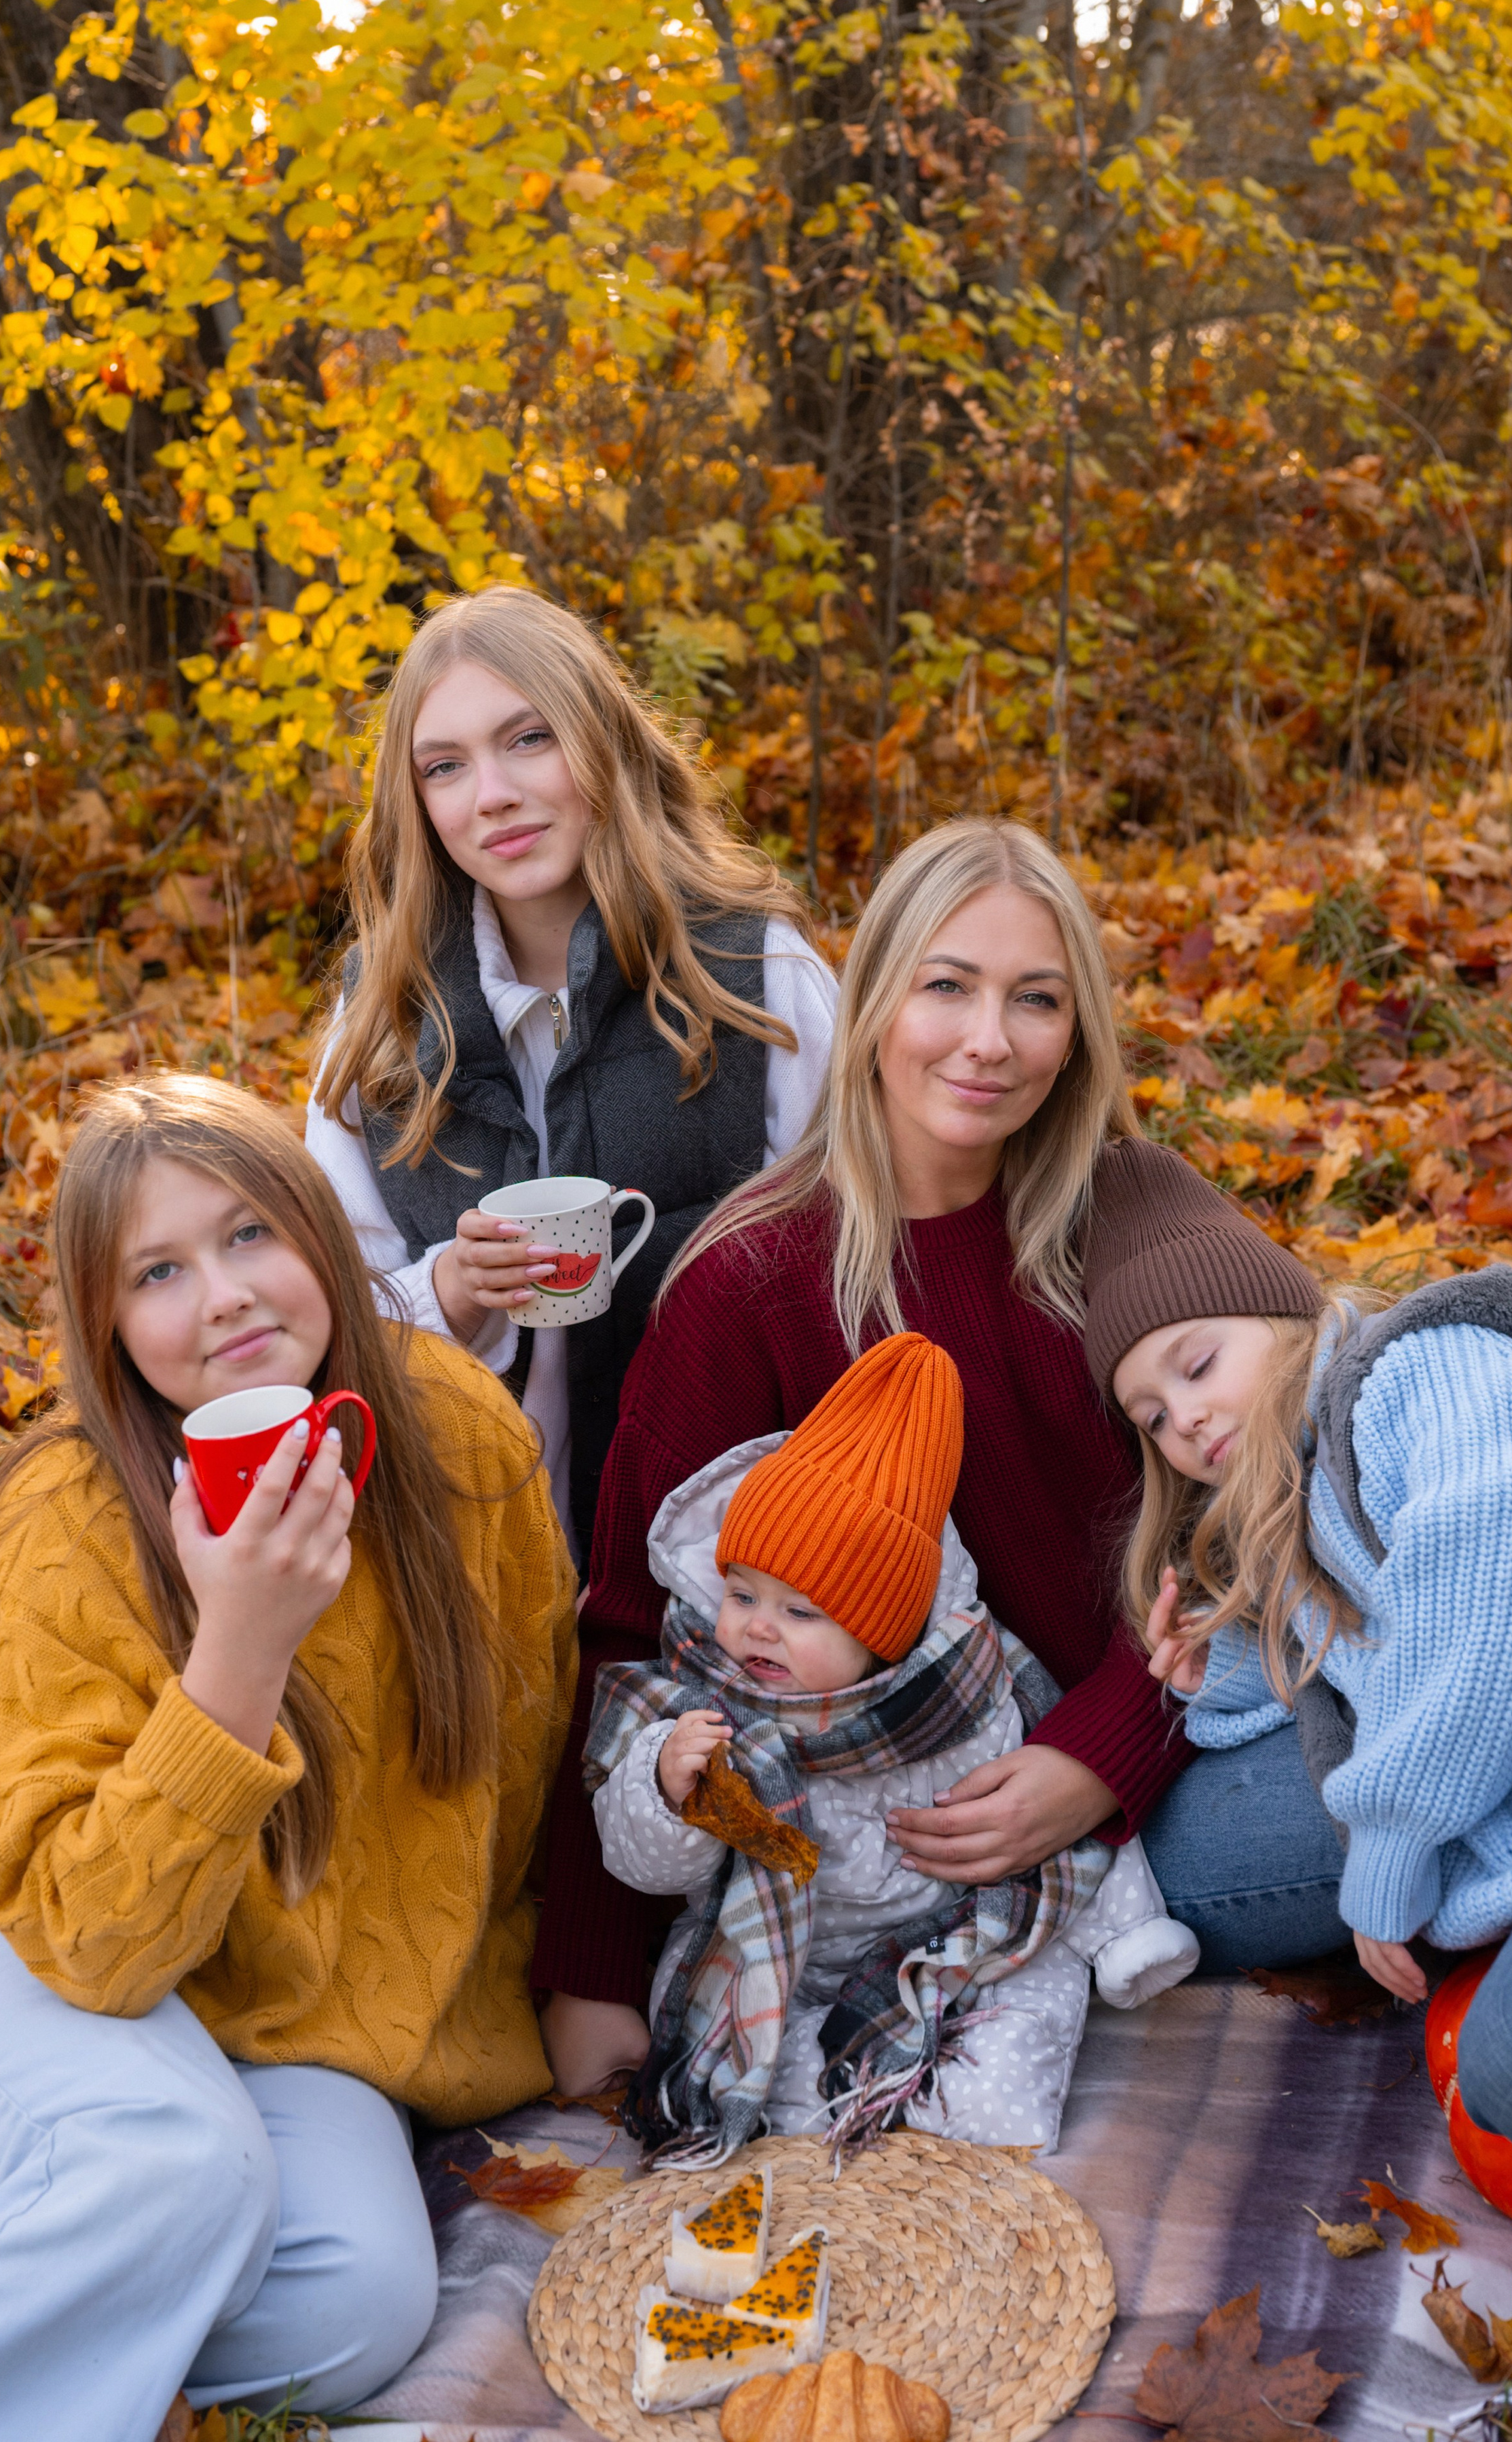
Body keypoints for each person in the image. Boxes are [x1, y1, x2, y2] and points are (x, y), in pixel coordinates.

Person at [0, 1076, 576, 2441]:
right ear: (108, 1323)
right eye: (159, 1269)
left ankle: (26, 2304)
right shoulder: (65, 1522)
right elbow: (91, 1948)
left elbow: (520, 1764)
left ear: (324, 1238)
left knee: (360, 2295)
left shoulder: (457, 1436)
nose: (223, 1294)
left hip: (259, 1991)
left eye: (252, 1232)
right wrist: (239, 1651)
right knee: (173, 2158)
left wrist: (567, 1982)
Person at [536, 813, 1228, 2099]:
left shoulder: (1127, 1213)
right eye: (948, 986)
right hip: (872, 1833)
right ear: (870, 1006)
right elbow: (639, 1629)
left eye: (1037, 1000)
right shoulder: (754, 1280)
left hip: (1162, 1754)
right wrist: (592, 1968)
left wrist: (1101, 1757)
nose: (989, 1039)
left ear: (1077, 1032)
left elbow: (1239, 1517)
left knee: (1375, 1806)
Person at [1084, 1132, 1512, 2188]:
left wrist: (1392, 1850)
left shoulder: (1420, 1370)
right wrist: (1217, 1674)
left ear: (1286, 1311)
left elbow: (1487, 1611)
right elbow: (1343, 1686)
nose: (1185, 1416)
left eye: (1197, 1364)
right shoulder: (1291, 1523)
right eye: (1152, 1416)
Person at [306, 585, 837, 1557]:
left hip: (733, 1548)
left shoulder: (753, 971)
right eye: (445, 767)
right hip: (471, 1548)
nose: (492, 795)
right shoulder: (378, 1016)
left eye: (528, 739)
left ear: (602, 741)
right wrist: (453, 1291)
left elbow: (855, 1252)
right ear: (417, 802)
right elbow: (332, 1304)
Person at [587, 1332, 1197, 2162]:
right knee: (725, 2033)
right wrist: (666, 1787)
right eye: (740, 1593)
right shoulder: (705, 1708)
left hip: (949, 1945)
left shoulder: (961, 1704)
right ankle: (829, 2104)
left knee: (1028, 2016)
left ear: (882, 1636)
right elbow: (648, 1870)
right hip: (784, 1955)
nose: (758, 1625)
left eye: (802, 1613)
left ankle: (917, 2113)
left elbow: (1060, 1836)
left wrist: (1125, 1936)